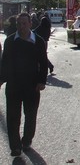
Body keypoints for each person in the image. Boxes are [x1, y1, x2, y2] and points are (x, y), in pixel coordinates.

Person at [0, 13, 48, 157]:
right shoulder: (10, 41)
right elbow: (5, 63)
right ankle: (15, 147)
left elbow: (43, 62)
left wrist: (41, 81)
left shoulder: (38, 41)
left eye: (24, 23)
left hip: (32, 85)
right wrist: (1, 79)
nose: (21, 27)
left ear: (30, 24)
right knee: (13, 117)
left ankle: (26, 140)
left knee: (30, 115)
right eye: (19, 24)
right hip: (14, 84)